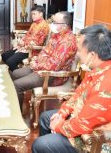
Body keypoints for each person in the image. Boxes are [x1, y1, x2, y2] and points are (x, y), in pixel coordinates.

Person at [32, 25, 111, 153]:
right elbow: (77, 95)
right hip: (80, 119)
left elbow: (82, 125)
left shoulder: (106, 85)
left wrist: (59, 126)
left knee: (39, 144)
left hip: (92, 139)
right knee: (46, 117)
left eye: (79, 50)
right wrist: (61, 113)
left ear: (92, 54)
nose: (77, 54)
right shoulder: (96, 70)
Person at [12, 11, 77, 107]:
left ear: (64, 25)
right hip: (42, 67)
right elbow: (45, 51)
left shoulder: (67, 42)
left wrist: (37, 65)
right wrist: (36, 60)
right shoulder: (56, 35)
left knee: (17, 85)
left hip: (53, 76)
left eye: (55, 22)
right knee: (15, 73)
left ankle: (17, 114)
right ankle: (18, 101)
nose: (52, 24)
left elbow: (54, 65)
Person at [2, 5, 50, 71]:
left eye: (34, 14)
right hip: (24, 47)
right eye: (32, 14)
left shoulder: (44, 26)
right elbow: (27, 35)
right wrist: (21, 41)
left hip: (32, 50)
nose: (32, 16)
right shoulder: (34, 24)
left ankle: (17, 74)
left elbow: (39, 43)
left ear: (41, 14)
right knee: (4, 55)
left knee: (10, 62)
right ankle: (16, 71)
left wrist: (24, 44)